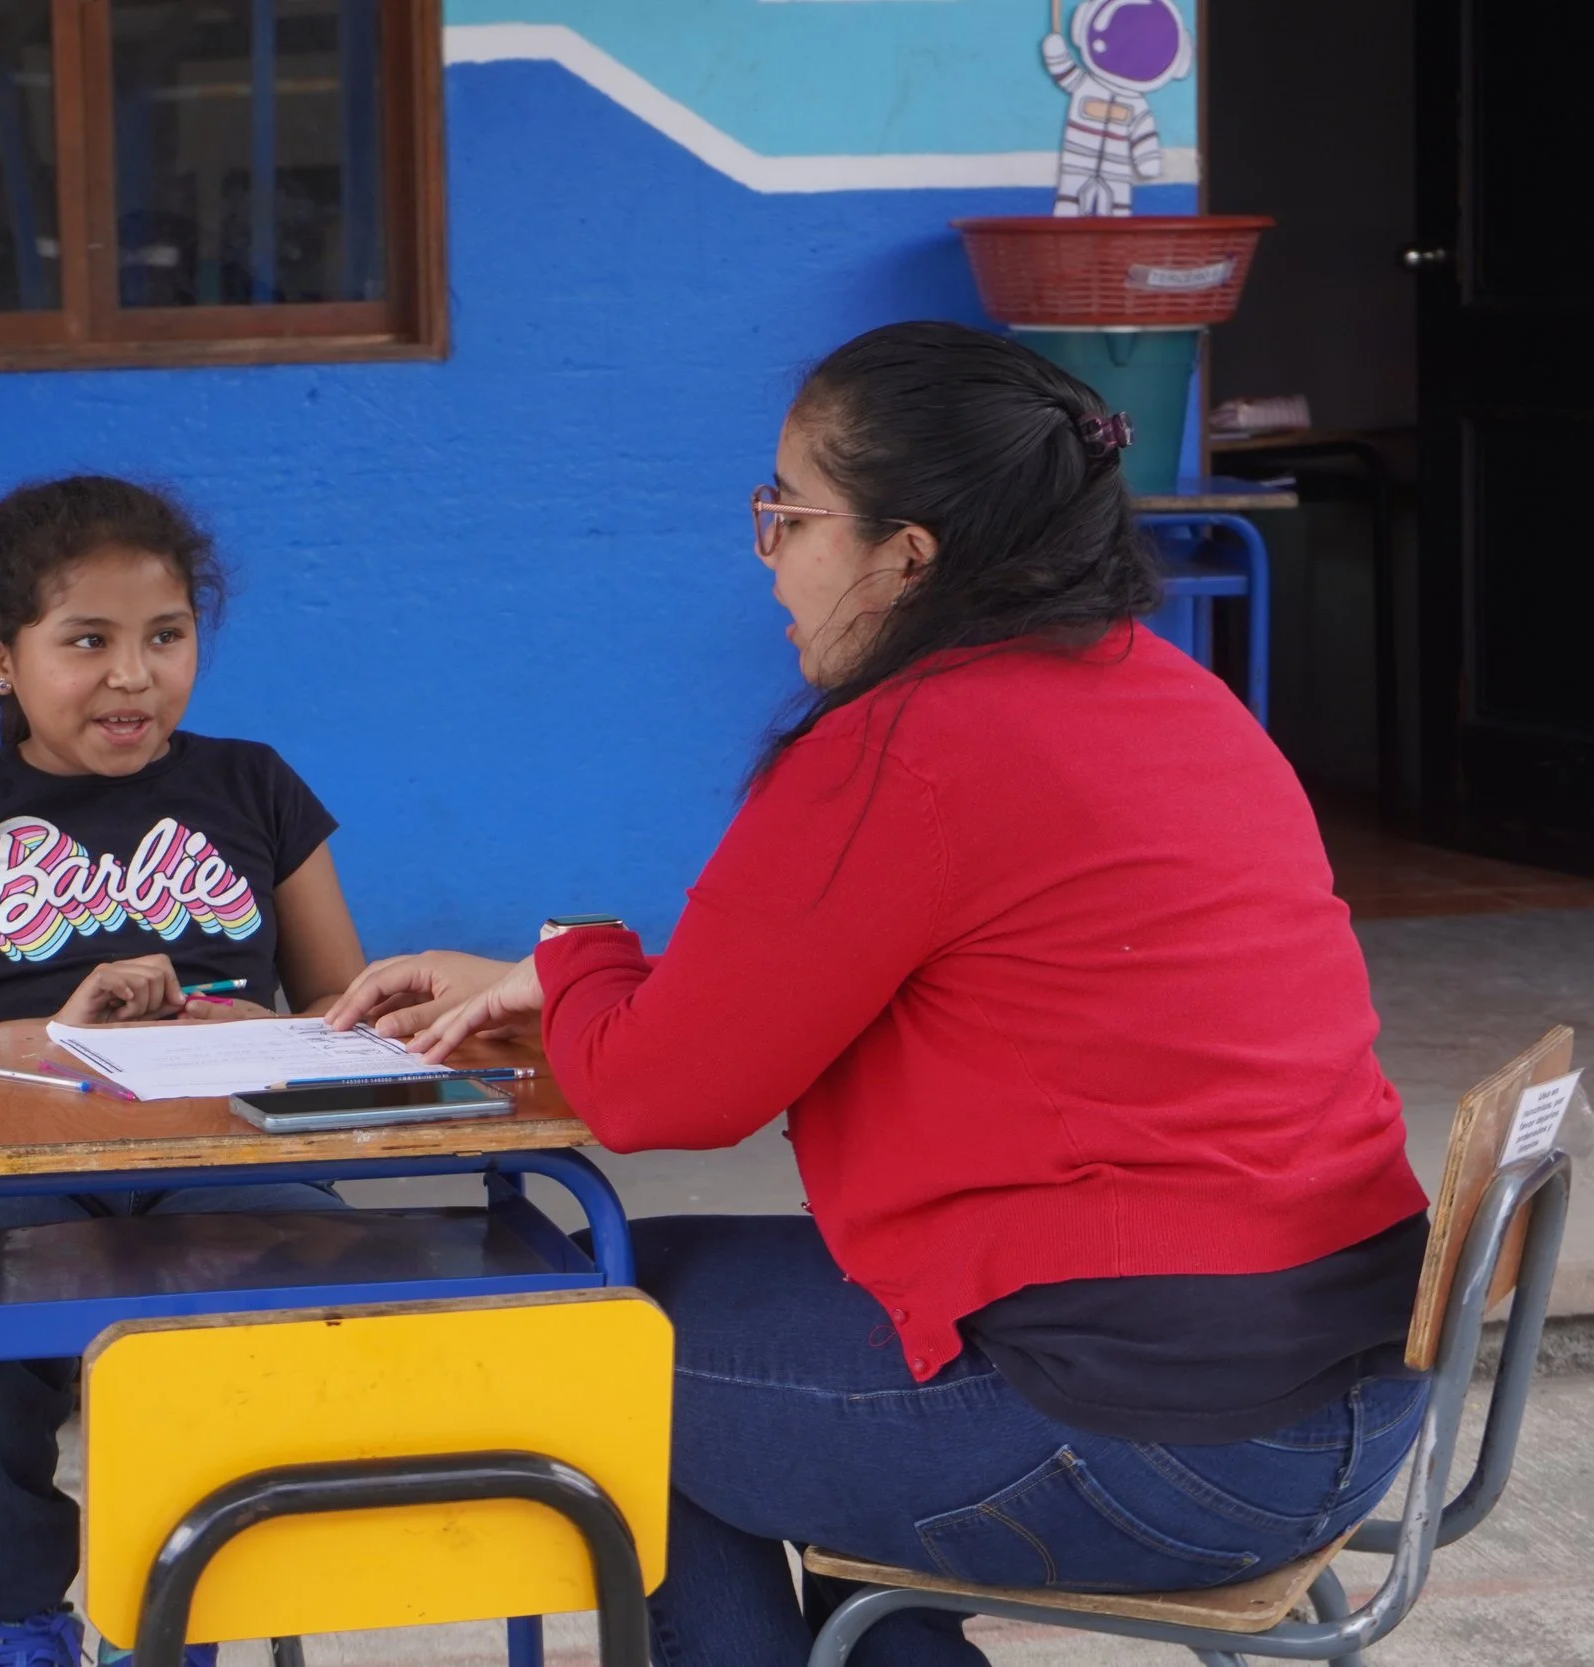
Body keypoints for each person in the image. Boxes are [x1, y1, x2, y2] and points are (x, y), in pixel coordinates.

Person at [327, 322, 1434, 1667]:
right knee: (662, 1304)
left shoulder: (904, 747)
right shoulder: (1173, 693)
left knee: (587, 1342)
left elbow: (660, 1094)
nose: (767, 556)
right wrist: (560, 978)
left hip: (1146, 1432)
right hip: (1348, 1409)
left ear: (907, 551)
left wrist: (577, 951)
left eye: (788, 515)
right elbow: (876, 984)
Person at [0, 475, 368, 1667]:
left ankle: (177, 1607)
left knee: (283, 1303)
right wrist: (48, 1033)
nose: (134, 675)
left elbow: (346, 1000)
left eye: (166, 638)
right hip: (3, 1156)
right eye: (88, 640)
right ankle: (19, 1611)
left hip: (224, 1148)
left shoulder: (258, 787)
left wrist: (268, 1020)